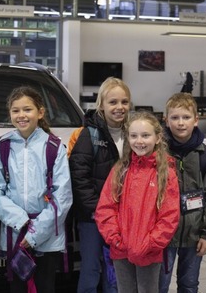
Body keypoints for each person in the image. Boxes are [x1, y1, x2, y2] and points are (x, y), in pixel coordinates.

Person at [0, 86, 73, 293]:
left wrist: (35, 233)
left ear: (40, 112)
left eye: (27, 109)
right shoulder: (3, 148)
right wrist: (21, 222)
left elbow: (62, 195)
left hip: (47, 237)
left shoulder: (54, 148)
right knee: (17, 287)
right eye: (16, 110)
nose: (21, 115)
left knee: (45, 286)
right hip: (15, 233)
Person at [95, 111, 180, 293]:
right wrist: (115, 239)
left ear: (158, 138)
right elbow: (105, 208)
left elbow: (169, 216)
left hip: (149, 252)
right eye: (134, 136)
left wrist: (149, 244)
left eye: (145, 135)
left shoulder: (165, 173)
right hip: (121, 249)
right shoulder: (120, 170)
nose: (139, 141)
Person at [69, 77, 131, 293]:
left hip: (124, 217)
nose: (119, 107)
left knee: (116, 271)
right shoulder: (89, 134)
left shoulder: (134, 135)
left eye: (124, 102)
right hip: (93, 218)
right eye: (113, 102)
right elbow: (79, 177)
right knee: (91, 269)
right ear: (101, 105)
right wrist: (99, 212)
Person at [159, 92, 206, 293]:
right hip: (163, 235)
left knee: (189, 284)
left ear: (196, 120)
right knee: (159, 284)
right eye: (175, 117)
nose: (180, 123)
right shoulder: (157, 152)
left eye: (186, 117)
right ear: (166, 120)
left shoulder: (205, 154)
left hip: (194, 234)